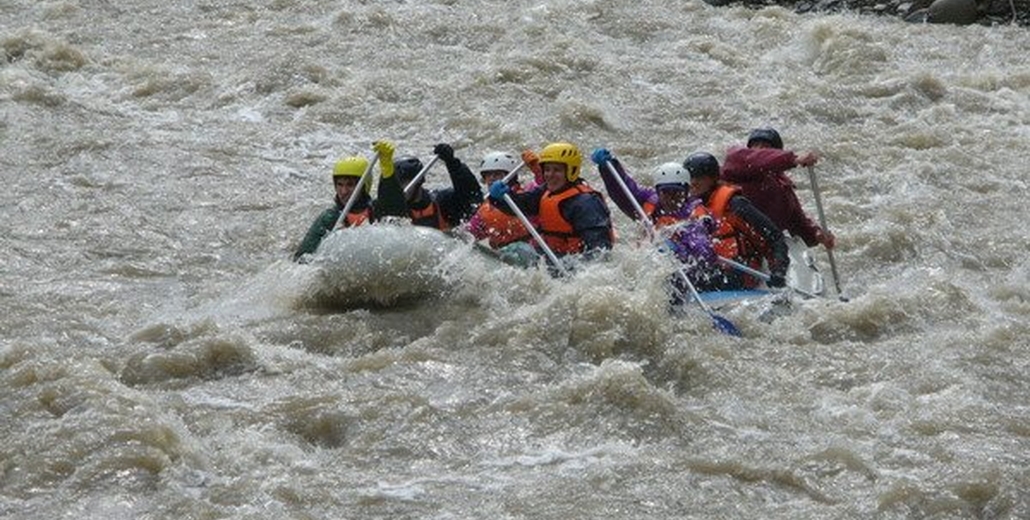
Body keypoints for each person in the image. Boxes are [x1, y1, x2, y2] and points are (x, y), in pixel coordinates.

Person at [591, 148, 721, 290]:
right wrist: (608, 167)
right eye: (666, 192)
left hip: (687, 277)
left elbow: (704, 252)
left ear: (686, 191)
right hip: (646, 269)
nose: (671, 198)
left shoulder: (696, 214)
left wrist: (679, 251)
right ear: (658, 191)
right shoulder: (650, 200)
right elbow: (624, 189)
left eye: (677, 192)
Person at [488, 142, 614, 264]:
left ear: (571, 171)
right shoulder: (546, 191)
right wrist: (501, 198)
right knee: (518, 250)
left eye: (557, 170)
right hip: (553, 256)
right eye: (547, 169)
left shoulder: (586, 203)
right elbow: (521, 205)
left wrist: (578, 269)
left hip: (576, 263)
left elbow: (599, 249)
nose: (550, 175)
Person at [685, 151, 790, 289]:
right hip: (714, 269)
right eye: (690, 177)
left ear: (712, 178)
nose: (693, 182)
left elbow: (775, 237)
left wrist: (779, 270)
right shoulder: (690, 207)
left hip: (742, 272)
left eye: (699, 177)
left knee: (687, 281)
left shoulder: (735, 204)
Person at [720, 127, 836, 250]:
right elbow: (752, 158)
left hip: (762, 245)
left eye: (766, 146)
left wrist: (818, 235)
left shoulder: (783, 188)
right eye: (755, 145)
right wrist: (794, 159)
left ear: (776, 152)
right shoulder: (738, 163)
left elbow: (798, 222)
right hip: (732, 238)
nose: (759, 149)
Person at [292, 140, 406, 261]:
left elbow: (396, 208)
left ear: (364, 186)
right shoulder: (330, 218)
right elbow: (301, 258)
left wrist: (387, 168)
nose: (344, 191)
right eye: (340, 185)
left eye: (350, 185)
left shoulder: (377, 210)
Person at [465, 150, 544, 249]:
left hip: (533, 253)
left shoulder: (527, 194)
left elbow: (546, 189)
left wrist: (538, 171)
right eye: (488, 175)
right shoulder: (485, 209)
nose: (492, 178)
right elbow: (468, 236)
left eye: (497, 174)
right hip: (502, 256)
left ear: (511, 177)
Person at [396, 143, 483, 231]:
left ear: (418, 182)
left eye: (402, 183)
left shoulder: (442, 202)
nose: (398, 189)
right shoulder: (395, 210)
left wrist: (452, 163)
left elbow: (472, 197)